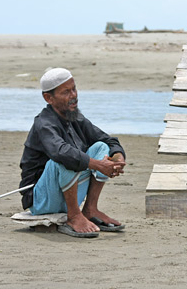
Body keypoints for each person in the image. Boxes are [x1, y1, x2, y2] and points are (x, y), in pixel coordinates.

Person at [19, 67, 127, 238]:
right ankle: (74, 216)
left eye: (74, 89)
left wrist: (117, 160)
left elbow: (109, 140)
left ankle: (90, 209)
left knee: (101, 147)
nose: (74, 95)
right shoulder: (44, 123)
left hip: (69, 192)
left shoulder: (75, 117)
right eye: (66, 92)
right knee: (65, 158)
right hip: (42, 200)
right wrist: (99, 165)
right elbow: (61, 153)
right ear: (49, 98)